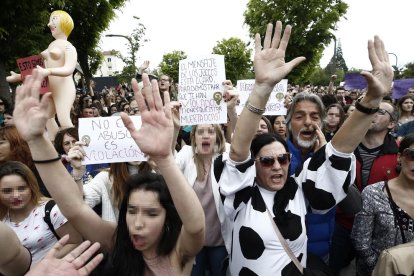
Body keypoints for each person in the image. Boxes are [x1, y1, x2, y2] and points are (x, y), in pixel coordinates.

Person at [214, 21, 393, 275]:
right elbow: (238, 151)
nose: (277, 165)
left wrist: (371, 102)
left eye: (283, 159)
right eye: (267, 161)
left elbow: (337, 155)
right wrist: (262, 88)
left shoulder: (299, 190)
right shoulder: (239, 196)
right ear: (252, 165)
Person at [13, 69, 205, 275]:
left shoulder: (180, 252)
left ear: (169, 219)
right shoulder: (119, 241)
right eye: (131, 211)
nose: (137, 224)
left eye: (152, 213)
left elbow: (195, 227)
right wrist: (36, 139)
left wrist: (165, 158)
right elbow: (75, 208)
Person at [330, 101, 399, 274]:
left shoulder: (400, 155)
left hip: (379, 234)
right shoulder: (343, 146)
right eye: (372, 110)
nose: (373, 114)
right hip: (342, 225)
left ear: (391, 124)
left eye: (380, 111)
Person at [7, 10, 77, 138]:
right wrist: (19, 76)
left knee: (63, 119)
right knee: (46, 117)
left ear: (64, 23)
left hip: (64, 89)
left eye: (54, 19)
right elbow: (37, 67)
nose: (49, 24)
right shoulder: (51, 46)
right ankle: (57, 145)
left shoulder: (69, 47)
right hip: (50, 89)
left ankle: (74, 145)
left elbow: (69, 68)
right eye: (50, 20)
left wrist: (48, 71)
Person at [351, 134, 414, 276]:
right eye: (411, 155)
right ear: (399, 157)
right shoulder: (373, 193)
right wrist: (383, 268)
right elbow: (361, 242)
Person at [0, 161, 82, 267]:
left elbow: (75, 243)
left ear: (31, 187)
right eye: (7, 191)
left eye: (22, 188)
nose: (16, 195)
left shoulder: (51, 210)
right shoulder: (2, 221)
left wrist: (41, 267)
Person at [175, 123, 230, 276]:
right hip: (191, 241)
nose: (205, 135)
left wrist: (232, 113)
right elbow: (170, 168)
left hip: (219, 240)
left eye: (211, 132)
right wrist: (174, 128)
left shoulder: (226, 156)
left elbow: (241, 149)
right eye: (200, 132)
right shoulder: (186, 154)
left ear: (218, 138)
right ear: (194, 138)